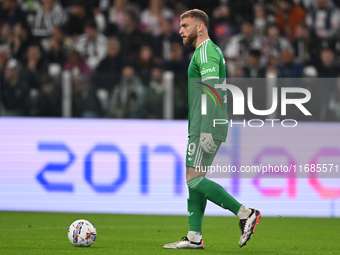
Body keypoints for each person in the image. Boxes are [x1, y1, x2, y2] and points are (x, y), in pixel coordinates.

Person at [163, 9, 261, 250]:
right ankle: (194, 236)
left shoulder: (205, 51)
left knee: (193, 178)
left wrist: (205, 129)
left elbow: (213, 89)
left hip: (205, 126)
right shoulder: (209, 51)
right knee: (196, 177)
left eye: (185, 25)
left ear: (200, 27)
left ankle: (245, 213)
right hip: (205, 124)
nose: (180, 30)